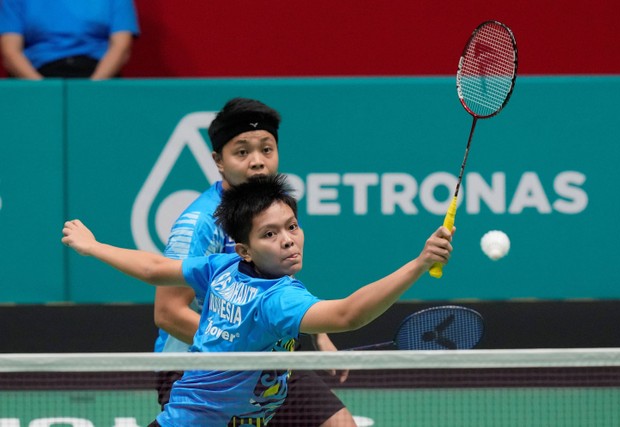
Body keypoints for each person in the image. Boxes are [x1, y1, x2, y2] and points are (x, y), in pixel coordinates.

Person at [61, 174, 455, 426]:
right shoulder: (278, 299)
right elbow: (348, 313)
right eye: (269, 234)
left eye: (292, 226)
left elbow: (152, 268)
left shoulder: (222, 266)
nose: (287, 239)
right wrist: (419, 264)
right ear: (244, 248)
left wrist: (94, 247)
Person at [154, 97, 351, 427]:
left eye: (267, 149)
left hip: (266, 356)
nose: (257, 162)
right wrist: (246, 349)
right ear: (219, 160)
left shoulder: (270, 208)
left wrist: (319, 334)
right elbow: (167, 312)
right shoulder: (200, 224)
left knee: (338, 423)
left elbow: (271, 279)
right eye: (242, 152)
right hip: (197, 365)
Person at [0, 0, 139, 79]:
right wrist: (41, 90)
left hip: (99, 73)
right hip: (35, 74)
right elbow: (10, 52)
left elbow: (121, 47)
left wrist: (94, 88)